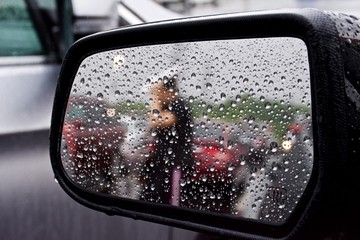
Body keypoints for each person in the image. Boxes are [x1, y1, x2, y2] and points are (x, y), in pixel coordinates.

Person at [141, 76, 193, 205]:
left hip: (176, 165)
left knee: (173, 202)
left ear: (168, 91)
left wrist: (155, 96)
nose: (159, 96)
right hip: (162, 164)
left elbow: (155, 121)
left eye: (160, 92)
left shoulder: (179, 106)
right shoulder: (167, 107)